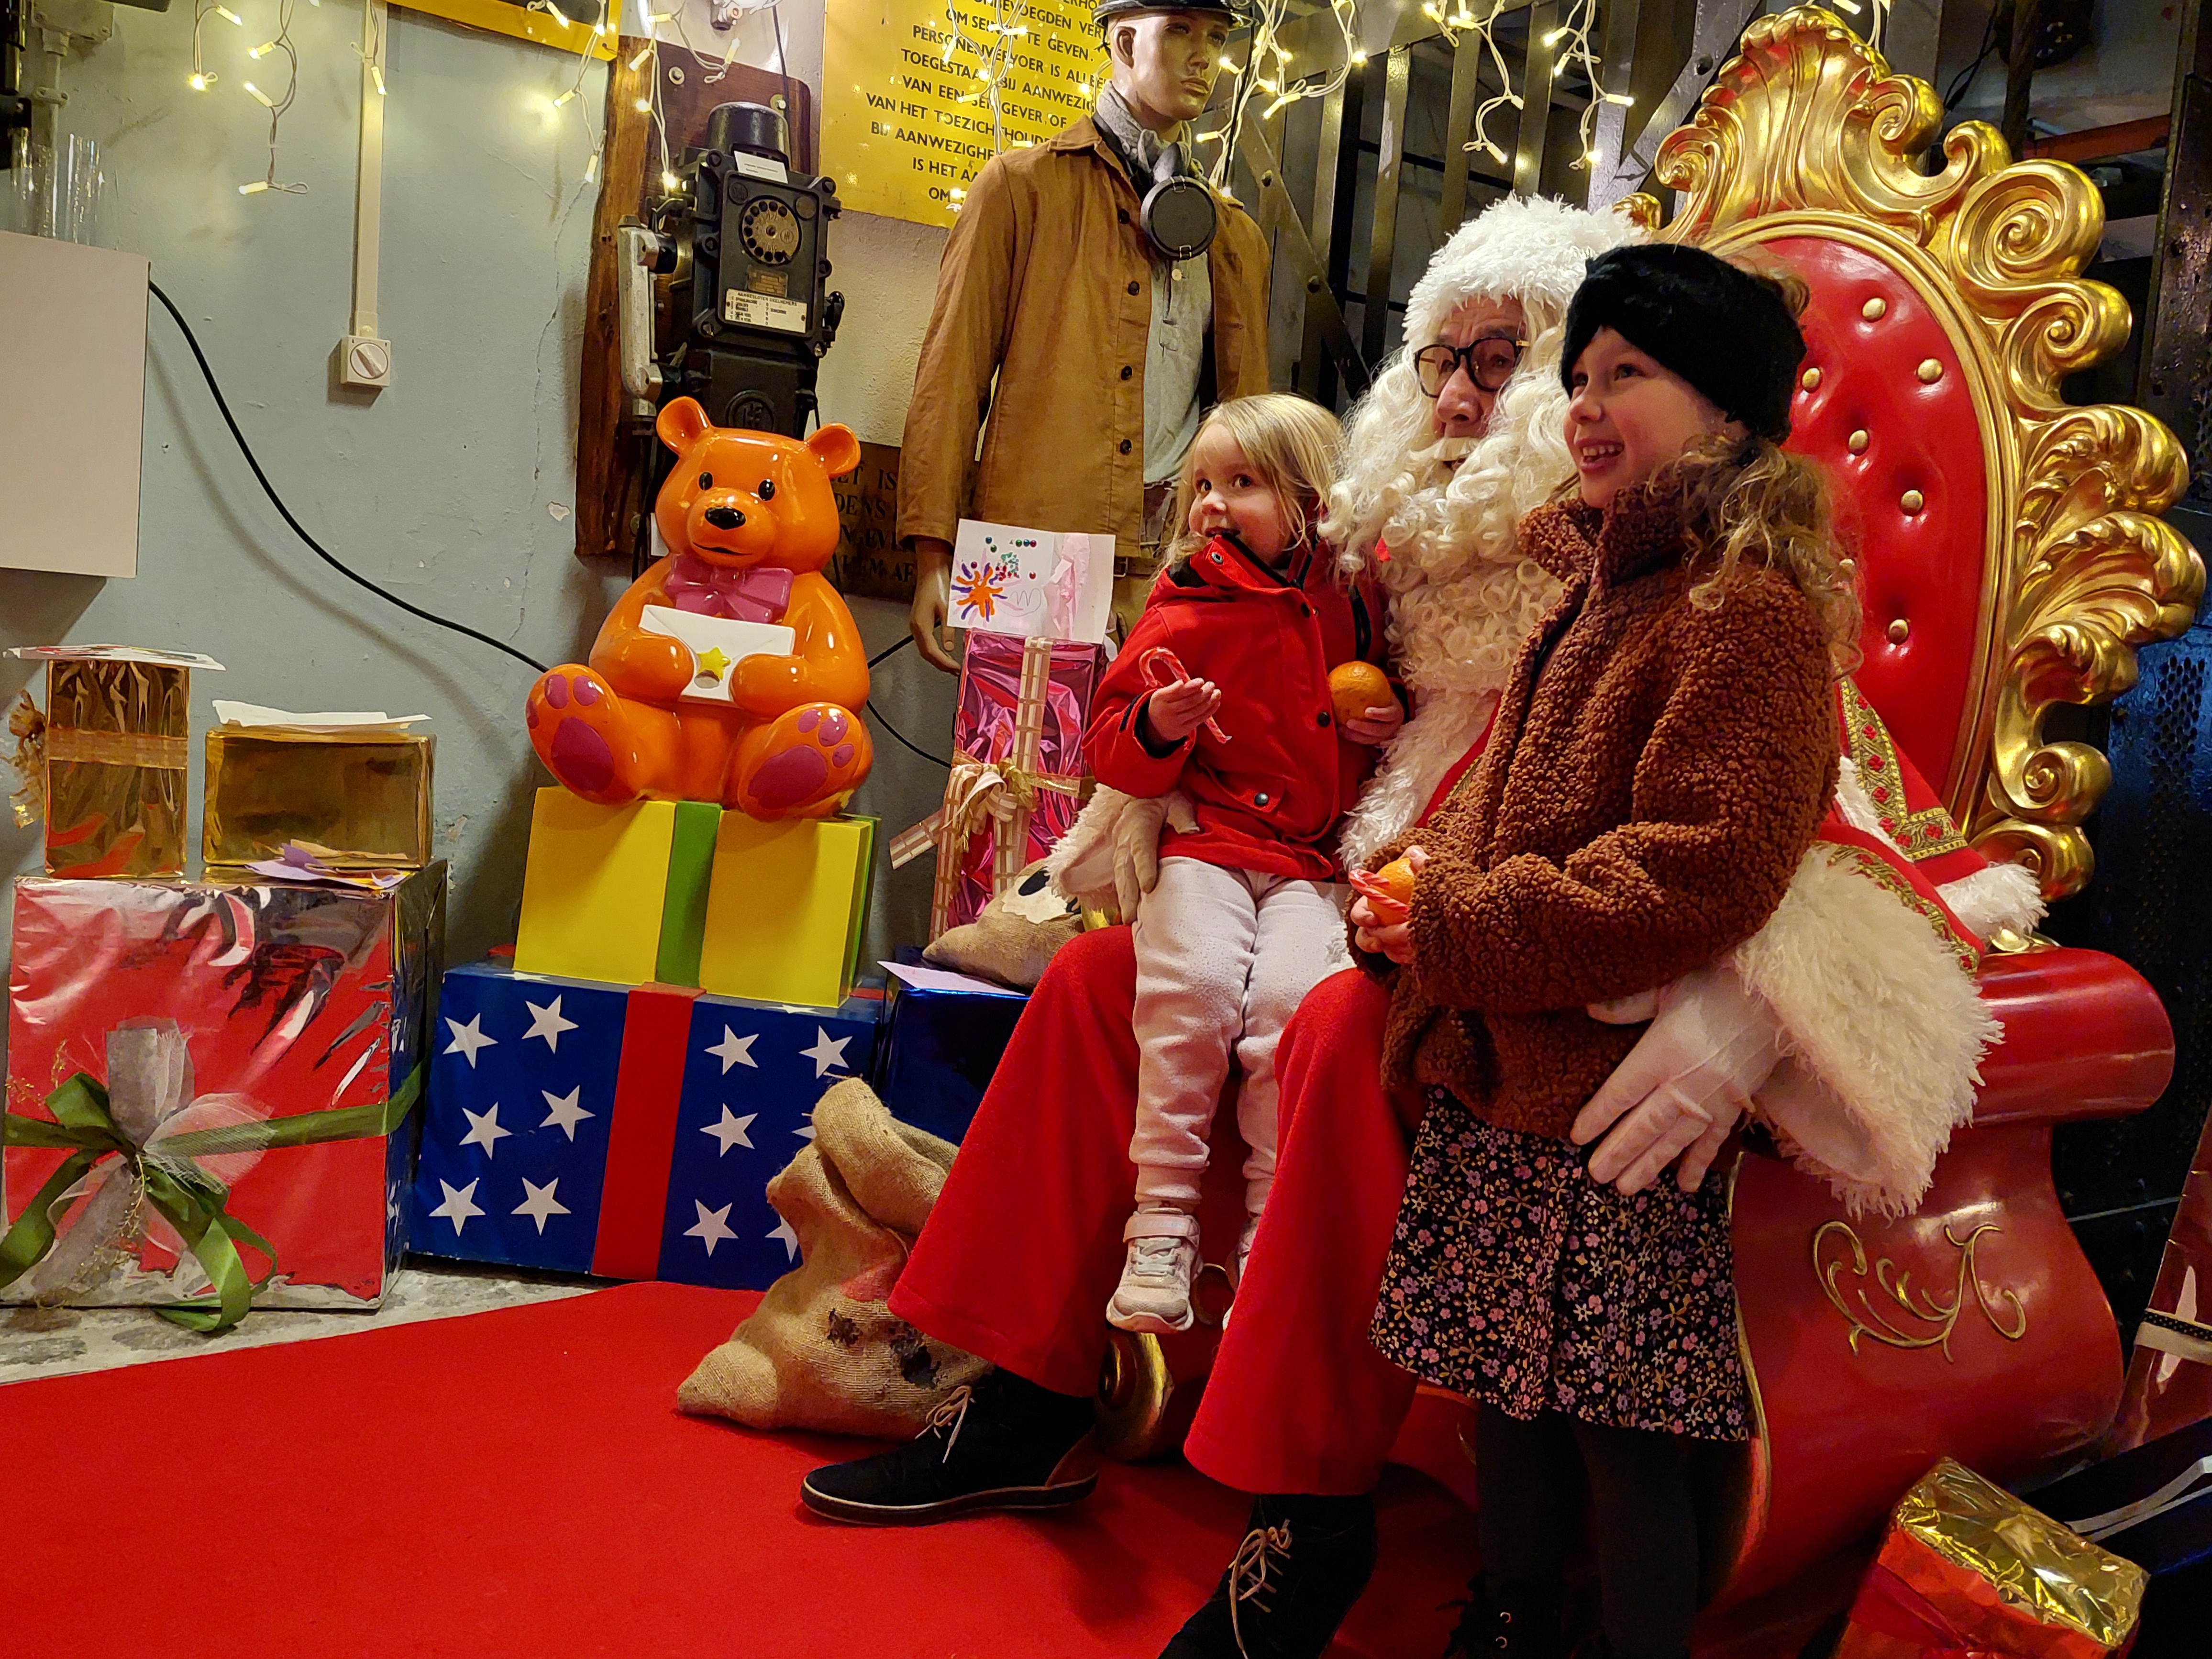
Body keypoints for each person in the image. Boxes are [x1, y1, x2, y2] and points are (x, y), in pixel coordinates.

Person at [799, 201, 2034, 1658]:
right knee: (1098, 982)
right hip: (1368, 902)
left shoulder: (1704, 593)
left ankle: (1306, 1514)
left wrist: (1748, 1001)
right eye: (1442, 358)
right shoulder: (1413, 575)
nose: (1458, 396)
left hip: (1489, 968)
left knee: (1331, 1030)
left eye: (1504, 361)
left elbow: (1819, 839)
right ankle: (1020, 1390)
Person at [1348, 243, 1906, 1659]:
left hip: (1609, 1096)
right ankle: (1509, 1616)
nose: (1586, 404)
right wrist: (1419, 881)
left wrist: (1460, 921)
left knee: (1620, 1431)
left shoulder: (1743, 609)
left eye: (1626, 374)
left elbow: (1702, 863)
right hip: (1513, 1063)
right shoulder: (1598, 584)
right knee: (1508, 1391)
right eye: (1580, 374)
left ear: (1722, 407)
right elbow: (1504, 785)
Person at [1083, 394, 1400, 1335]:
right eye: (1202, 485)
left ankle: (1270, 1229)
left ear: (1308, 499)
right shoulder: (1183, 603)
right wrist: (1156, 726)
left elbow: (1404, 710)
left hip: (1310, 861)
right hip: (1210, 845)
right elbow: (1108, 746)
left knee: (1290, 1012)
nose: (1212, 504)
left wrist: (1386, 722)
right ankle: (1161, 1221)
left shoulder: (1357, 602)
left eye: (1243, 482)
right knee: (1192, 991)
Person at [898, 1, 1271, 673]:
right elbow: (950, 379)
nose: (1204, 56)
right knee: (1015, 743)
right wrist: (933, 551)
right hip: (1030, 552)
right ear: (1125, 43)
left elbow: (1248, 416)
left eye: (1216, 37)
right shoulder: (1019, 189)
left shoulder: (1233, 234)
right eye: (1180, 30)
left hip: (1181, 565)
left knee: (1158, 746)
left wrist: (1248, 573)